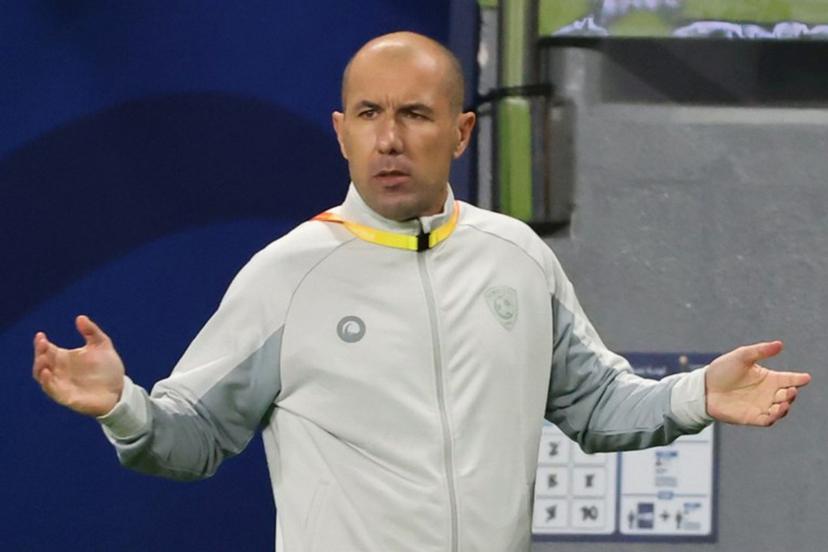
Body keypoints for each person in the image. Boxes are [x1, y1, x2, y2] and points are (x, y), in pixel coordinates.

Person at [32, 32, 810, 552]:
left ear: (463, 132)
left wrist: (698, 394)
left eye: (414, 114)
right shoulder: (288, 272)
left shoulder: (517, 258)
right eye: (369, 115)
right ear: (341, 131)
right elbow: (191, 439)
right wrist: (123, 406)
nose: (390, 139)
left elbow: (599, 406)